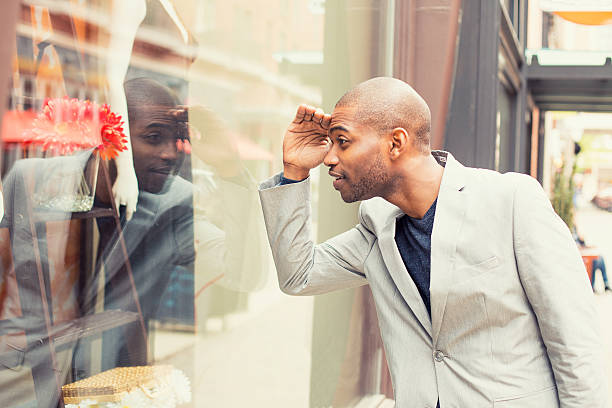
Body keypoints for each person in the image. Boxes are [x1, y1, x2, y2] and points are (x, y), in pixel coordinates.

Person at [258, 77, 608, 407]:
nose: (329, 158)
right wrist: (294, 172)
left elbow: (576, 344)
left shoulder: (511, 202)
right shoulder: (377, 229)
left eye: (342, 141)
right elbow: (298, 276)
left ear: (396, 142)